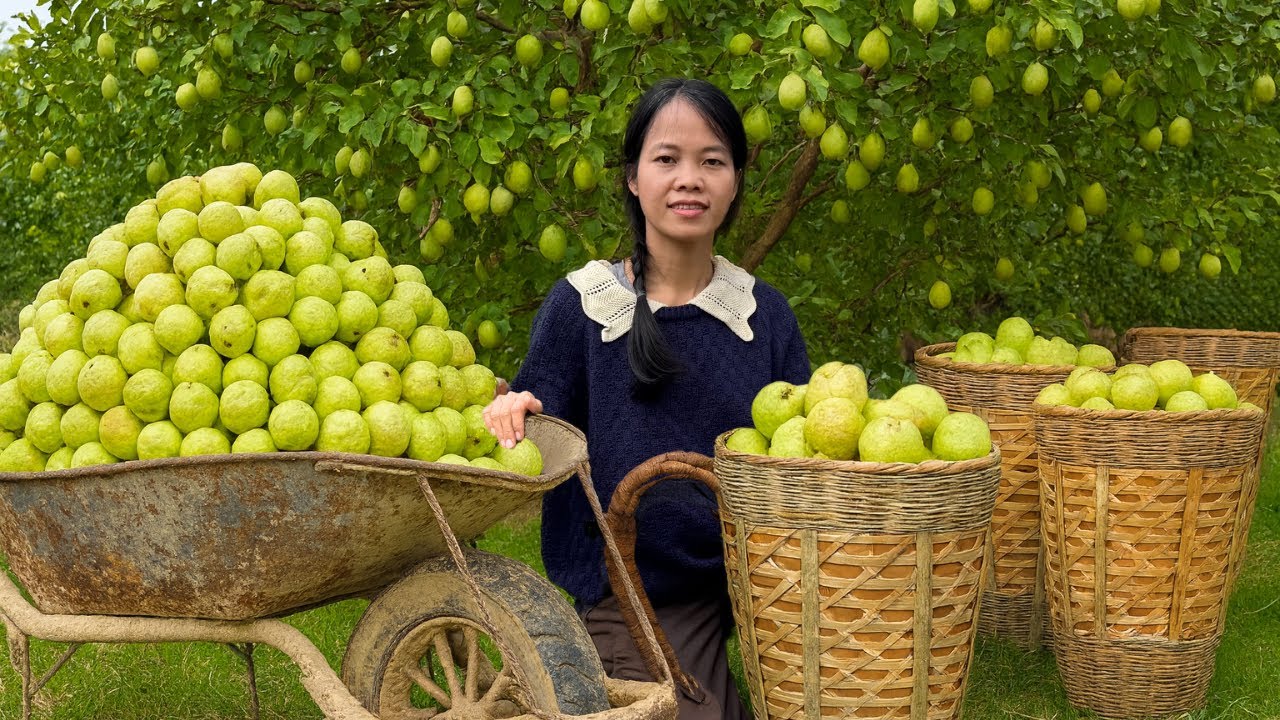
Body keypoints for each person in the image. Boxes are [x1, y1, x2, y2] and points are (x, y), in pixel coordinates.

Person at [483, 78, 810, 720]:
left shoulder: (762, 315)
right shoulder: (583, 303)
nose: (689, 178)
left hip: (746, 587)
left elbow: (802, 444)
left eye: (711, 161)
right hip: (627, 589)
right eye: (667, 159)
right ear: (633, 177)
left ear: (737, 180)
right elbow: (540, 400)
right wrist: (515, 405)